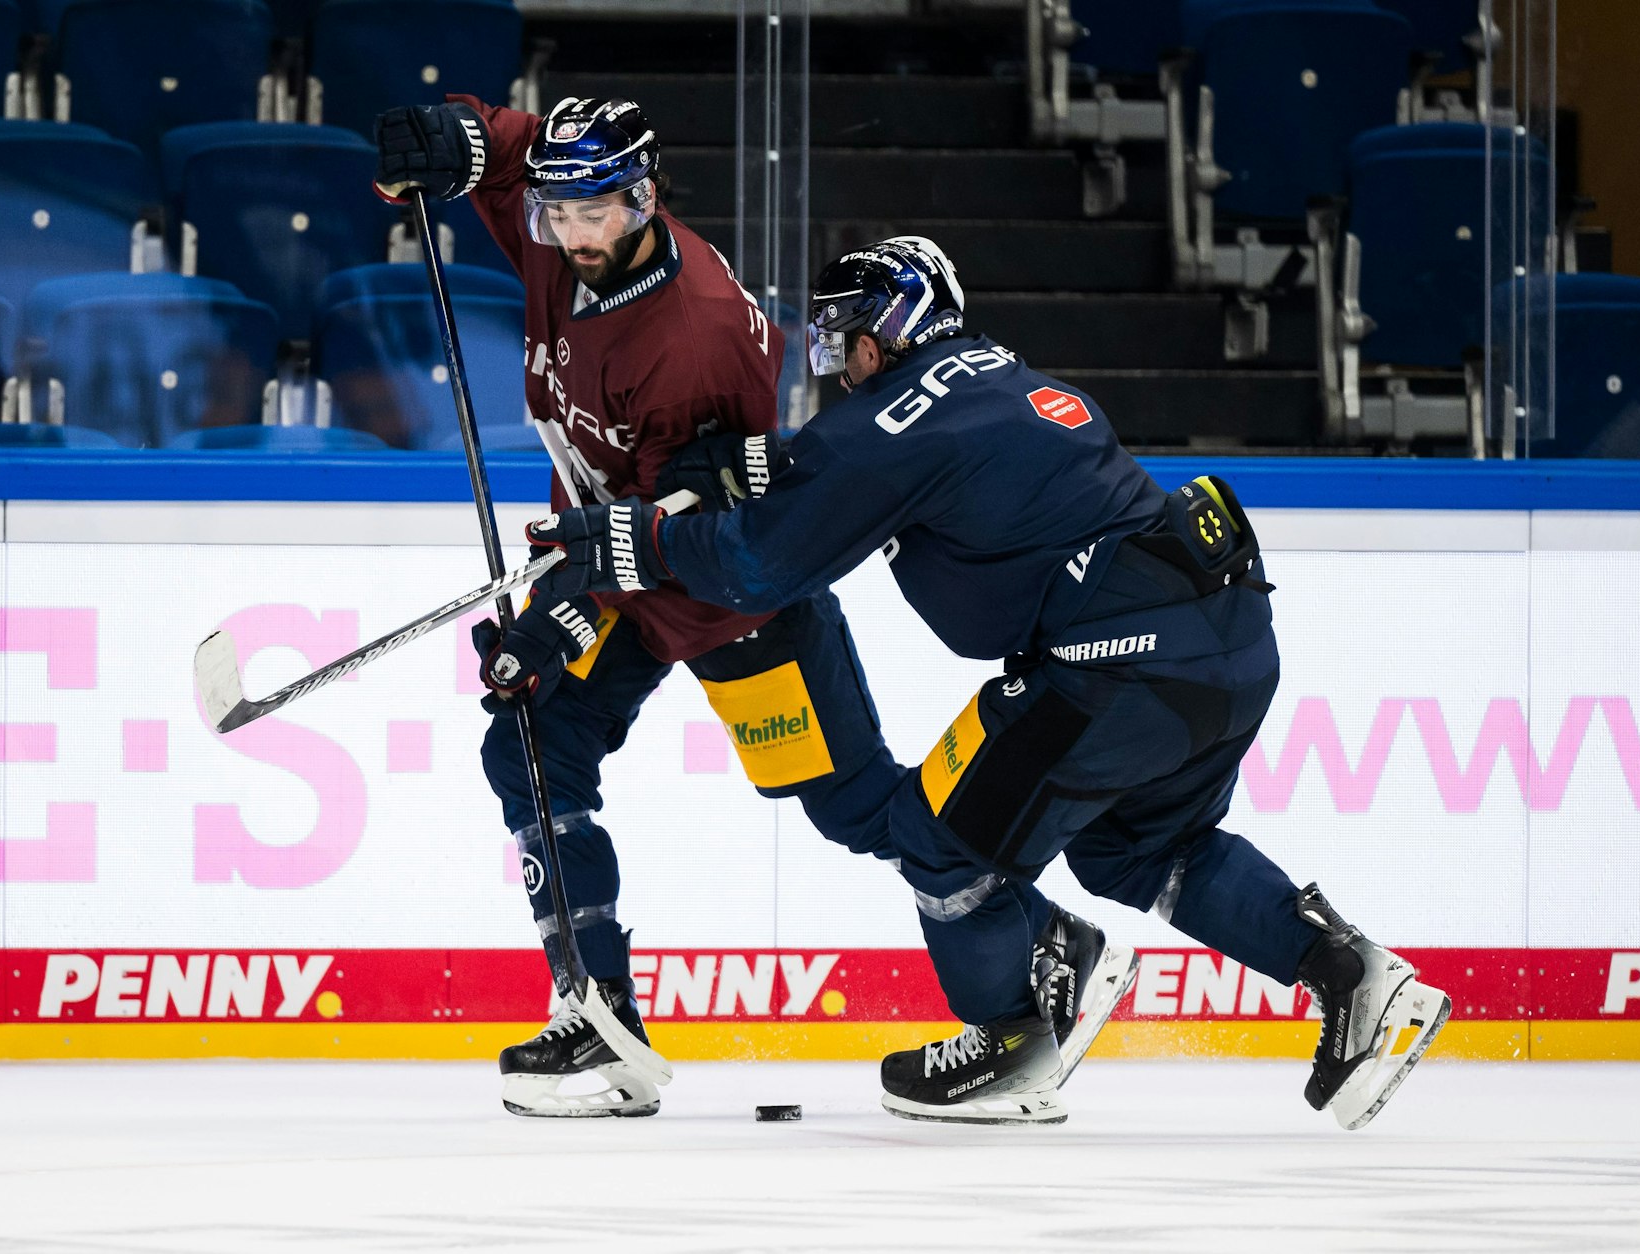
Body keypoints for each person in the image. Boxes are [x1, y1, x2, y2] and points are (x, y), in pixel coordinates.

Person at [522, 236, 1453, 1129]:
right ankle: (1352, 973)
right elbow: (884, 459)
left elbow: (761, 570)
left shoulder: (886, 426)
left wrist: (632, 542)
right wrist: (760, 462)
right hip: (1225, 642)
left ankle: (1014, 1040)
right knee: (1136, 849)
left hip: (1119, 664)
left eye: (844, 341)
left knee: (940, 837)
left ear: (882, 333)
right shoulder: (999, 376)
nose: (840, 365)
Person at [374, 99, 1139, 1121]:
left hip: (728, 600)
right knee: (528, 742)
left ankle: (1048, 943)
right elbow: (514, 155)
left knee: (857, 809)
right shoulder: (566, 228)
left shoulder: (688, 340)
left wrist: (558, 611)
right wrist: (456, 140)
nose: (569, 238)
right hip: (626, 578)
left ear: (644, 197)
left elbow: (678, 535)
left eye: (592, 214)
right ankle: (596, 1016)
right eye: (556, 217)